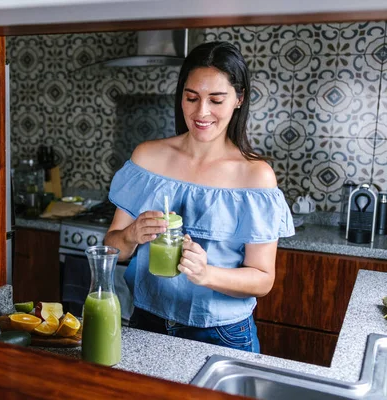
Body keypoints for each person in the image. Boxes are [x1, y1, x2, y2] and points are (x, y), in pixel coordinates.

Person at [104, 41, 294, 353]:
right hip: (147, 323)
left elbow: (262, 279)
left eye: (216, 100)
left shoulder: (255, 176)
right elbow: (113, 249)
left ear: (239, 99)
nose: (201, 112)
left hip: (222, 334)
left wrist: (206, 273)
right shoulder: (147, 158)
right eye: (191, 98)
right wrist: (131, 234)